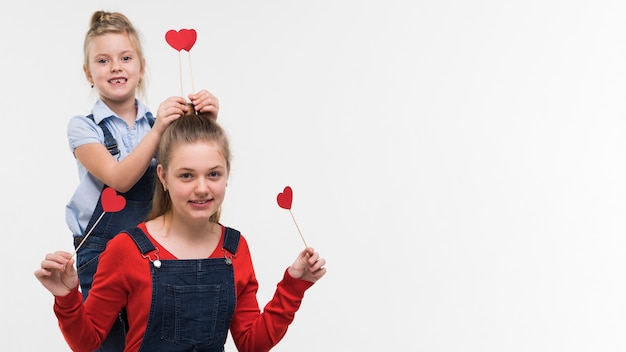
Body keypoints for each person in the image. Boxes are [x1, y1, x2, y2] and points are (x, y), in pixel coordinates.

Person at [36, 112, 327, 352]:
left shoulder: (235, 248)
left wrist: (293, 285)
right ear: (163, 176)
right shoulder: (126, 249)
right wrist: (67, 297)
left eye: (213, 174)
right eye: (186, 175)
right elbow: (88, 343)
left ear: (227, 173)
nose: (201, 188)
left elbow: (252, 343)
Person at [65, 10, 219, 351]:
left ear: (141, 67)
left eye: (125, 57)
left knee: (156, 338)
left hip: (155, 249)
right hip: (101, 253)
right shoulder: (83, 127)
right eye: (103, 61)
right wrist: (161, 128)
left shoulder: (161, 120)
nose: (116, 67)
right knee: (107, 340)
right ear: (89, 73)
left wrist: (206, 120)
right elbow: (120, 179)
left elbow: (191, 167)